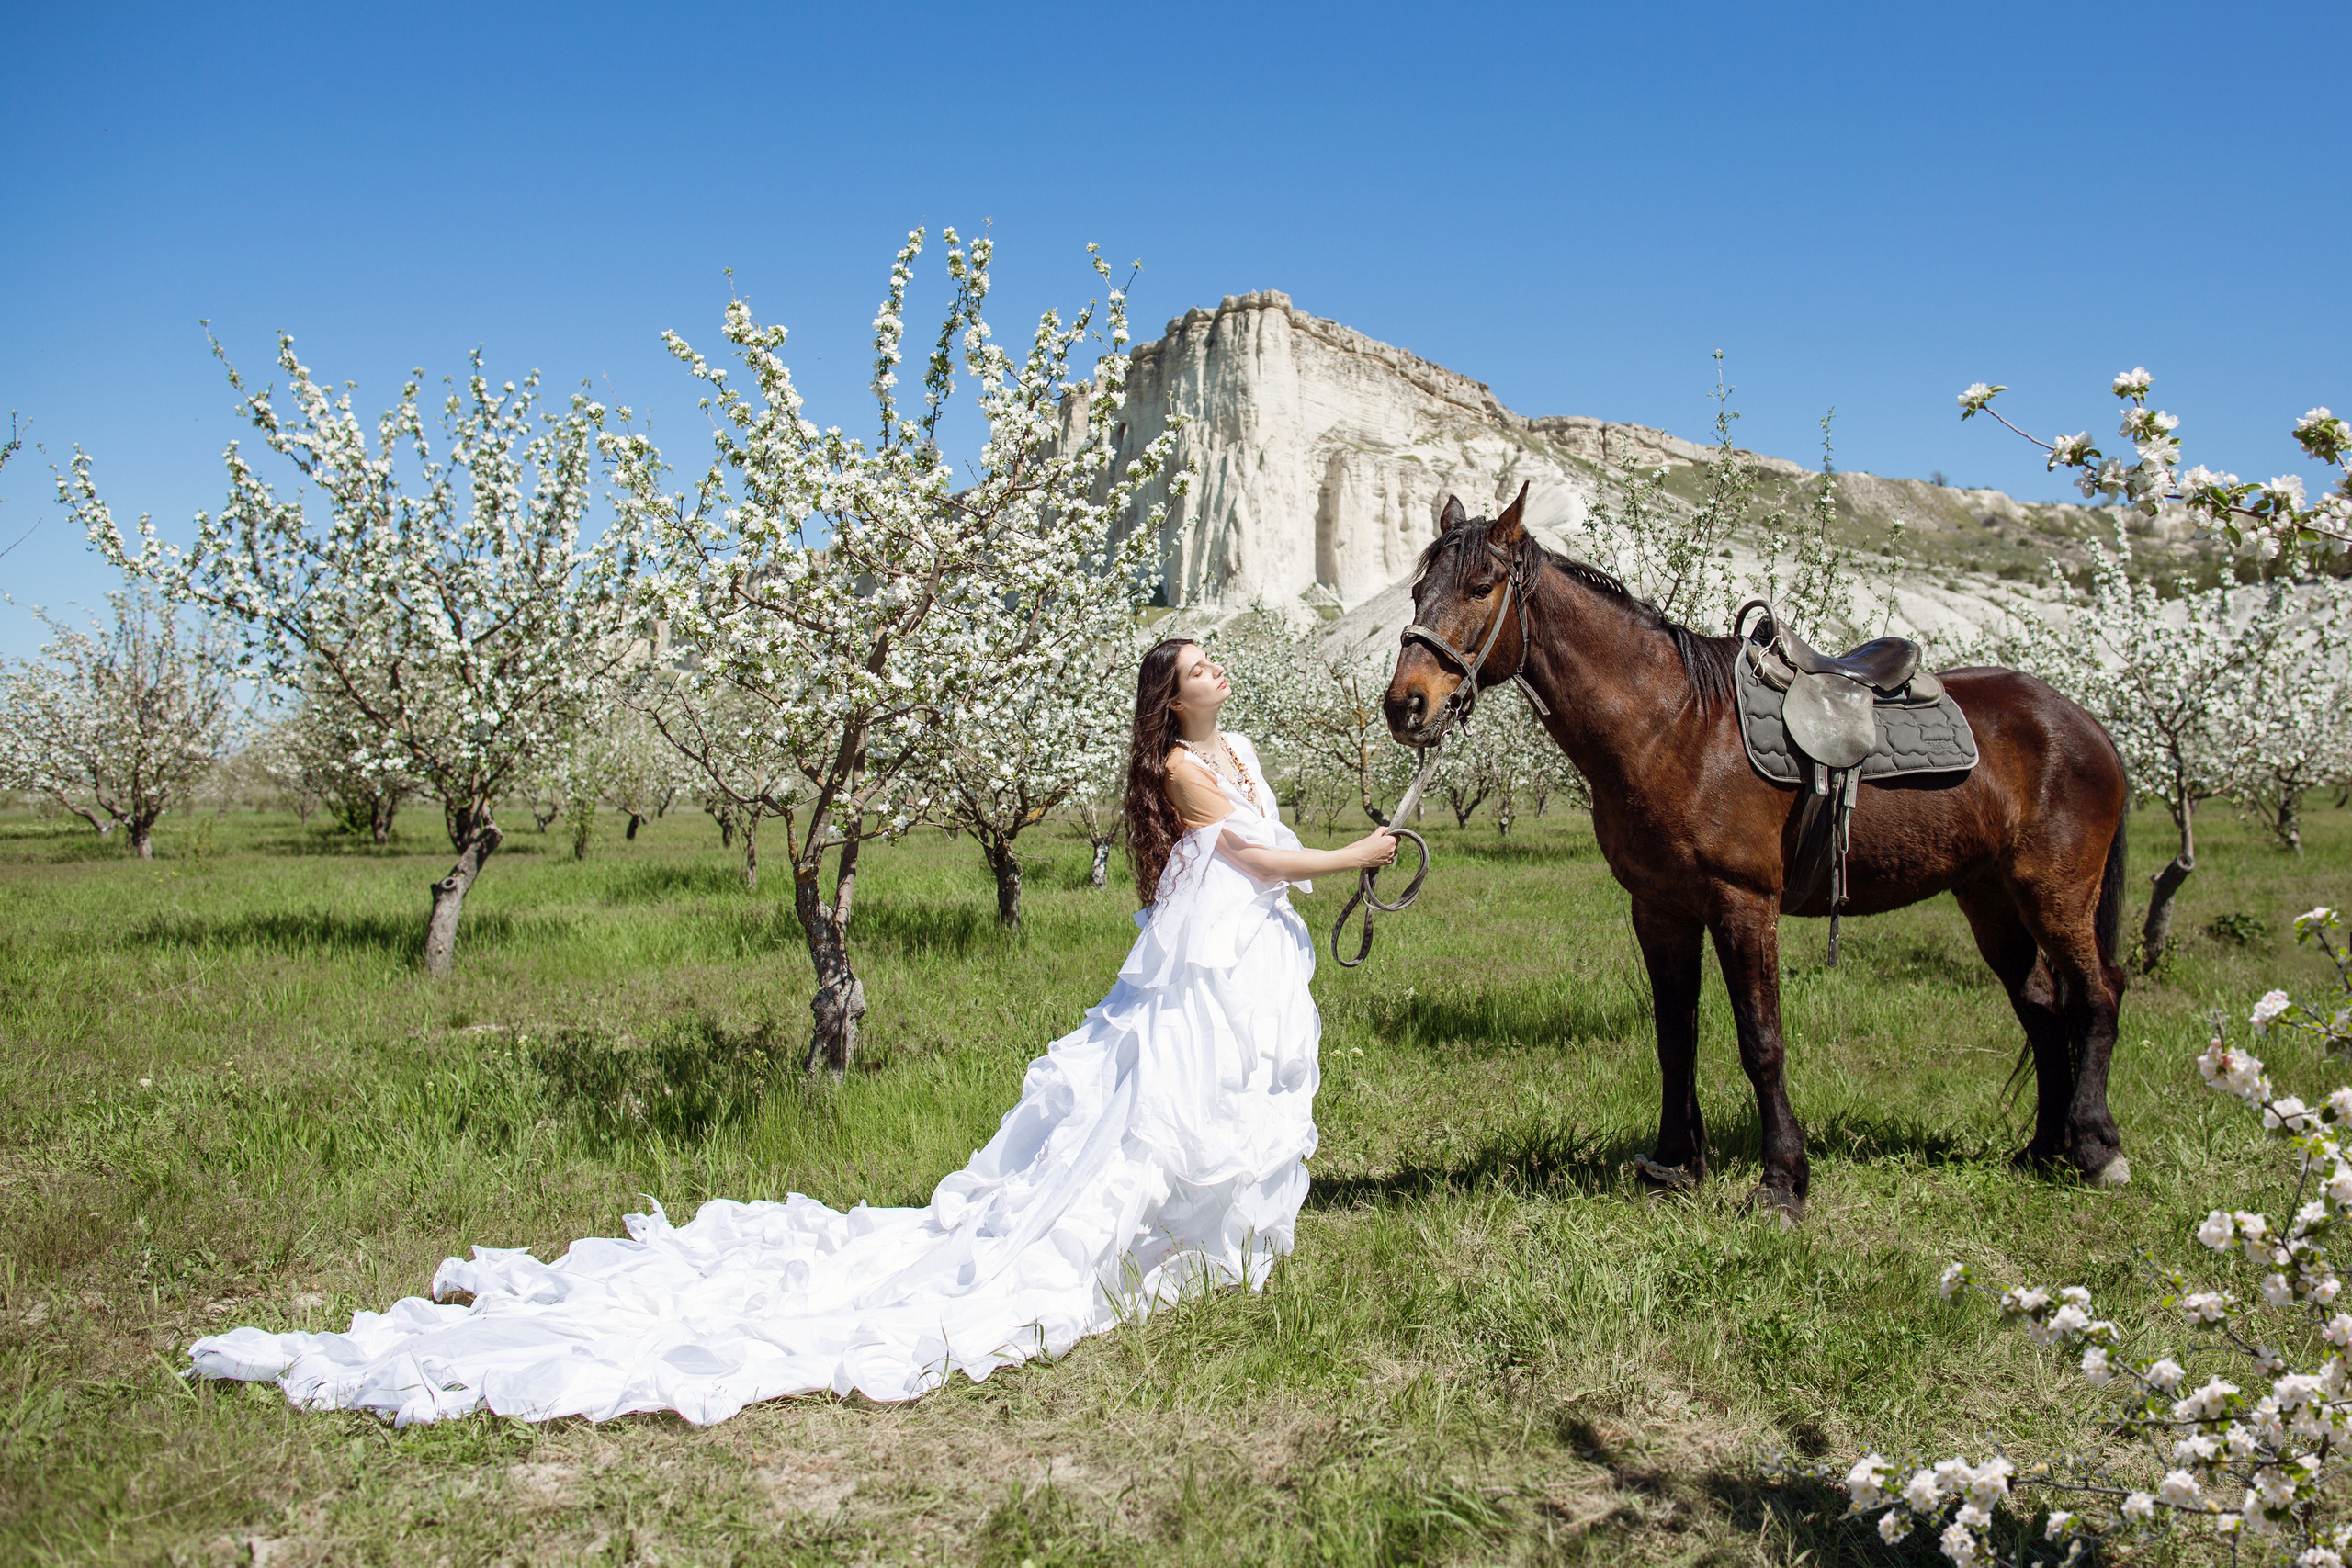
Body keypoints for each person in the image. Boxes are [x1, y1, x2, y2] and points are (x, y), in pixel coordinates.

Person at [189, 638, 1397, 1425]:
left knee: (1237, 1102)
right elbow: (1248, 851)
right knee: (1157, 1109)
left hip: (1246, 954)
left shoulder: (1234, 746)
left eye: (1217, 658)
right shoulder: (1187, 770)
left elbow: (1262, 852)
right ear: (1169, 698)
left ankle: (1214, 1247)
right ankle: (1141, 1243)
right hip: (1204, 956)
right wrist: (1356, 856)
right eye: (1197, 664)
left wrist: (1330, 858)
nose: (1218, 669)